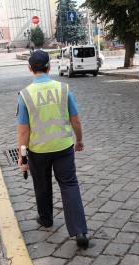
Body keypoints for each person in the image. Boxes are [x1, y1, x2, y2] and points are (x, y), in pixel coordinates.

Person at [16, 50, 89, 247]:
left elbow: (23, 131)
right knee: (69, 185)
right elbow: (76, 119)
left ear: (29, 68)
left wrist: (22, 156)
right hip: (63, 147)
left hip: (38, 150)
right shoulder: (63, 88)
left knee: (42, 184)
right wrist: (79, 140)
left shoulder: (25, 95)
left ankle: (46, 218)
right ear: (49, 67)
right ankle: (80, 231)